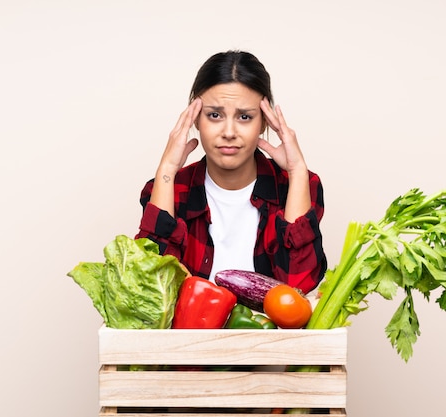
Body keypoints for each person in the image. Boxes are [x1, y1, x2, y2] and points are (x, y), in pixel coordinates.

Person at [135, 50, 326, 294]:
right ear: (195, 118)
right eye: (214, 115)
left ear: (264, 121)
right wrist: (167, 170)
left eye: (244, 117)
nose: (228, 132)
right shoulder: (170, 189)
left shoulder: (296, 187)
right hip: (191, 334)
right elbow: (147, 289)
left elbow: (297, 288)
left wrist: (297, 170)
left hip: (272, 334)